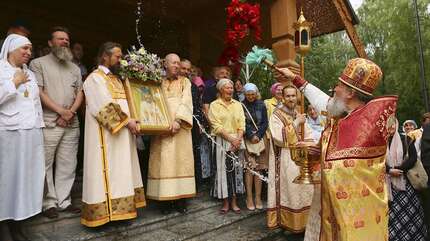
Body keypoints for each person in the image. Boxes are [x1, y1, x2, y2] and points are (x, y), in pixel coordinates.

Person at [280, 58, 398, 240]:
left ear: (350, 93)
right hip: (330, 211)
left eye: (338, 86)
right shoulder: (343, 114)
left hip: (356, 215)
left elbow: (342, 167)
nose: (334, 89)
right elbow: (324, 103)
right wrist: (295, 78)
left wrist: (320, 155)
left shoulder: (366, 127)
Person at [80, 42, 145, 227]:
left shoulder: (117, 79)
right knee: (108, 174)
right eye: (117, 56)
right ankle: (105, 215)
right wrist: (127, 121)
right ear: (104, 57)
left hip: (123, 135)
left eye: (121, 56)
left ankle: (121, 212)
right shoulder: (95, 78)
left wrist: (137, 118)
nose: (120, 59)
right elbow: (103, 106)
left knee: (123, 172)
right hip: (106, 137)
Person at [30, 26, 84, 219]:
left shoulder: (75, 68)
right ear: (50, 43)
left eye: (67, 40)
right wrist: (61, 111)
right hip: (50, 121)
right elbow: (39, 92)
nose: (65, 42)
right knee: (45, 164)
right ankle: (48, 203)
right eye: (60, 39)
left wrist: (70, 112)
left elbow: (80, 93)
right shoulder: (37, 64)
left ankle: (64, 201)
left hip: (71, 122)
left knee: (68, 163)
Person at [0, 34, 45, 241]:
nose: (29, 53)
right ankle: (3, 225)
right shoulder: (1, 70)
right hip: (8, 134)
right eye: (24, 49)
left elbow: (35, 104)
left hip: (31, 134)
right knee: (7, 180)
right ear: (12, 49)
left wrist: (40, 128)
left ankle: (19, 222)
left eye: (30, 49)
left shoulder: (30, 73)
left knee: (25, 180)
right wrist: (13, 83)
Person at [147, 53, 195, 214]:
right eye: (174, 63)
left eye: (178, 63)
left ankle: (181, 200)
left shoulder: (185, 82)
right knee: (164, 164)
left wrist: (178, 121)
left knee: (180, 162)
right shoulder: (157, 81)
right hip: (161, 128)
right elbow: (150, 102)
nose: (177, 66)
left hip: (179, 129)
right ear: (165, 64)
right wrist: (157, 123)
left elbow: (186, 102)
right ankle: (164, 202)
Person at [266, 84, 314, 232]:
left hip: (302, 157)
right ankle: (289, 223)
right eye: (288, 96)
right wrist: (296, 123)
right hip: (285, 158)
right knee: (290, 190)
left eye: (294, 95)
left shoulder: (298, 113)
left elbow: (308, 133)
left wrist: (308, 142)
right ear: (283, 97)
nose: (291, 98)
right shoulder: (277, 115)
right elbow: (278, 137)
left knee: (304, 190)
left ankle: (305, 223)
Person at [386, 119, 427, 241]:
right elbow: (377, 163)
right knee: (393, 216)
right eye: (387, 124)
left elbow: (413, 158)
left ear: (397, 124)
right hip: (388, 185)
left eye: (392, 123)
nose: (390, 126)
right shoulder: (380, 142)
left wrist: (399, 169)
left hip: (406, 183)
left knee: (412, 214)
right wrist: (389, 170)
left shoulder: (406, 139)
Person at [208, 78, 245, 214]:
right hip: (222, 141)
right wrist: (231, 139)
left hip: (237, 140)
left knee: (236, 172)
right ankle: (225, 202)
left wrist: (237, 140)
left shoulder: (238, 104)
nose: (230, 90)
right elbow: (216, 125)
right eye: (227, 88)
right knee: (223, 171)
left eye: (231, 87)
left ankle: (234, 201)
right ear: (220, 90)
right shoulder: (214, 105)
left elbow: (242, 124)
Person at [242, 83, 268, 211]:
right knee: (249, 169)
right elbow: (241, 122)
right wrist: (250, 135)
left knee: (259, 169)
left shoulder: (261, 104)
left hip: (260, 140)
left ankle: (257, 197)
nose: (251, 96)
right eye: (248, 94)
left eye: (253, 94)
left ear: (256, 93)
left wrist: (258, 135)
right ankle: (249, 197)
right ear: (245, 94)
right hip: (247, 139)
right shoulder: (241, 105)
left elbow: (264, 122)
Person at [180, 59, 204, 190]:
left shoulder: (193, 86)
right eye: (184, 69)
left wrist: (200, 123)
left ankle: (193, 186)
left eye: (188, 70)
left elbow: (197, 107)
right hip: (177, 124)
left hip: (192, 125)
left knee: (192, 155)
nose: (186, 72)